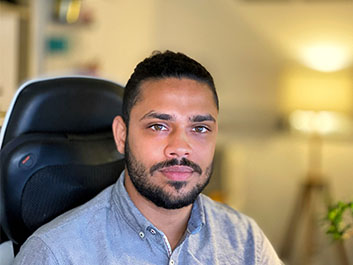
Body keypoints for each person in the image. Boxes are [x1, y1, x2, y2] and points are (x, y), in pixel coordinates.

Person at [13, 51, 283, 264]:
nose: (180, 148)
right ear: (122, 135)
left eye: (200, 128)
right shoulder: (56, 255)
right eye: (158, 126)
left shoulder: (245, 241)